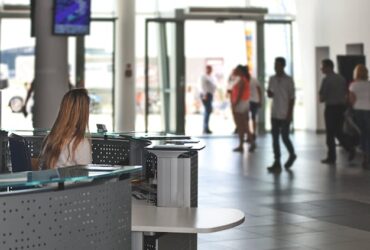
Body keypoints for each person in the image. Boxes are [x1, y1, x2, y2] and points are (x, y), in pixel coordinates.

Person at [39, 88, 92, 169]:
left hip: (47, 181)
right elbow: (87, 178)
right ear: (83, 113)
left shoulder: (50, 138)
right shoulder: (80, 143)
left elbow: (41, 168)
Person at [319, 59, 355, 164]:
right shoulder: (341, 78)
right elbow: (346, 93)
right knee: (338, 131)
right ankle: (349, 147)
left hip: (331, 108)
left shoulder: (326, 80)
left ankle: (331, 157)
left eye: (322, 67)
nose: (321, 69)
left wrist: (321, 96)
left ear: (328, 67)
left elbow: (322, 98)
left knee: (330, 133)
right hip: (341, 108)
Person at [267, 57, 296, 171]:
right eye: (275, 64)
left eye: (278, 65)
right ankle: (277, 161)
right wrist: (269, 93)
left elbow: (292, 98)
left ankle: (292, 153)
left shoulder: (288, 80)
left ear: (283, 66)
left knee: (284, 137)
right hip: (274, 113)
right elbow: (270, 94)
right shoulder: (272, 79)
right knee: (274, 138)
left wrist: (289, 114)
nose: (276, 67)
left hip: (285, 113)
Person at [349, 64, 370, 168]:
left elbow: (351, 100)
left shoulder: (353, 85)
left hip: (358, 110)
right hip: (368, 110)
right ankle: (367, 156)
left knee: (363, 133)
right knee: (368, 133)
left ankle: (365, 155)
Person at [231, 65, 251, 152]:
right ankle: (244, 144)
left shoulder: (242, 80)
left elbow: (239, 94)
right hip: (242, 103)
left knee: (241, 125)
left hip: (241, 103)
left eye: (236, 70)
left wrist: (235, 103)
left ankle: (243, 144)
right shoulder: (240, 79)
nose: (235, 70)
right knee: (243, 125)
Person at [247, 73, 262, 152]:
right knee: (247, 119)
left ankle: (253, 134)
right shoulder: (245, 80)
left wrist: (260, 100)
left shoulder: (254, 80)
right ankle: (250, 134)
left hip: (254, 101)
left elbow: (259, 90)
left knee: (253, 118)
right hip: (248, 101)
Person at [200, 65, 217, 134]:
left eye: (210, 69)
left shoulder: (211, 77)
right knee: (207, 111)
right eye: (208, 69)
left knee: (208, 111)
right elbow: (203, 86)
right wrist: (205, 95)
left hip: (210, 95)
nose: (209, 70)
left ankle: (206, 127)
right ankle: (205, 128)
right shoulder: (203, 77)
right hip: (206, 95)